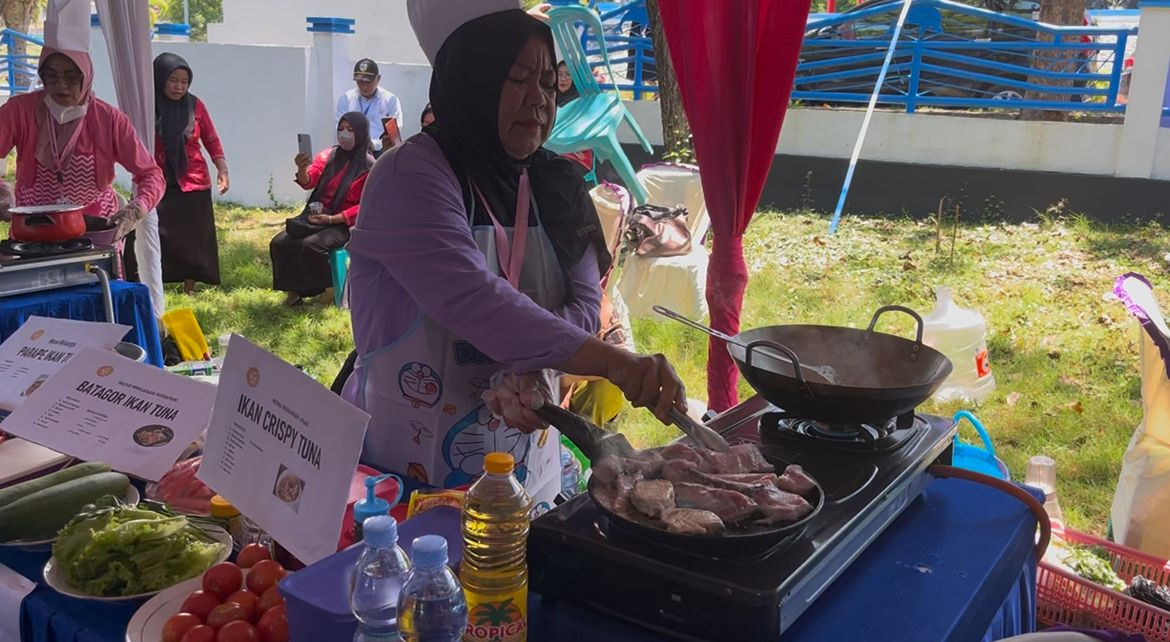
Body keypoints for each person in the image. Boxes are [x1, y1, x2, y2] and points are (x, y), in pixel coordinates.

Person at [342, 0, 686, 506]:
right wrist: (613, 363)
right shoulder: (410, 175)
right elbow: (474, 300)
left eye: (549, 83)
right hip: (405, 480)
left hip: (527, 467)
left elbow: (586, 304)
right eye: (519, 77)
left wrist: (529, 369)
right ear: (472, 77)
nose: (539, 100)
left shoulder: (558, 182)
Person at [0, 46, 163, 247]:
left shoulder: (108, 118)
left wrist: (138, 208)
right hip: (32, 231)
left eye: (71, 77)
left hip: (94, 234)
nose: (61, 85)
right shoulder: (19, 110)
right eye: (51, 76)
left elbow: (151, 174)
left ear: (86, 77)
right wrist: (3, 192)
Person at [270, 112, 372, 306]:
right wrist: (302, 168)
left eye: (350, 130)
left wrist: (333, 219)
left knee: (312, 246)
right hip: (317, 217)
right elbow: (309, 180)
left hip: (345, 223)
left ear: (361, 133)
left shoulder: (370, 167)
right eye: (341, 129)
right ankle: (293, 292)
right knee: (280, 243)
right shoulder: (328, 156)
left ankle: (329, 293)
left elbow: (367, 206)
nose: (344, 134)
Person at [151, 53, 229, 294]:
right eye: (173, 80)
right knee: (157, 232)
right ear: (160, 78)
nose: (179, 87)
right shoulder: (146, 105)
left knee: (193, 236)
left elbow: (211, 138)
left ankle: (190, 285)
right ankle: (154, 280)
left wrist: (222, 168)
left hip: (193, 180)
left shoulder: (195, 105)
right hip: (158, 179)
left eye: (184, 82)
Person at [336, 58, 403, 157]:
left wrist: (374, 144)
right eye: (360, 82)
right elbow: (339, 128)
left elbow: (393, 134)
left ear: (378, 78)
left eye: (368, 82)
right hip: (352, 150)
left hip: (381, 151)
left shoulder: (390, 100)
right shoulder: (346, 99)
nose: (364, 86)